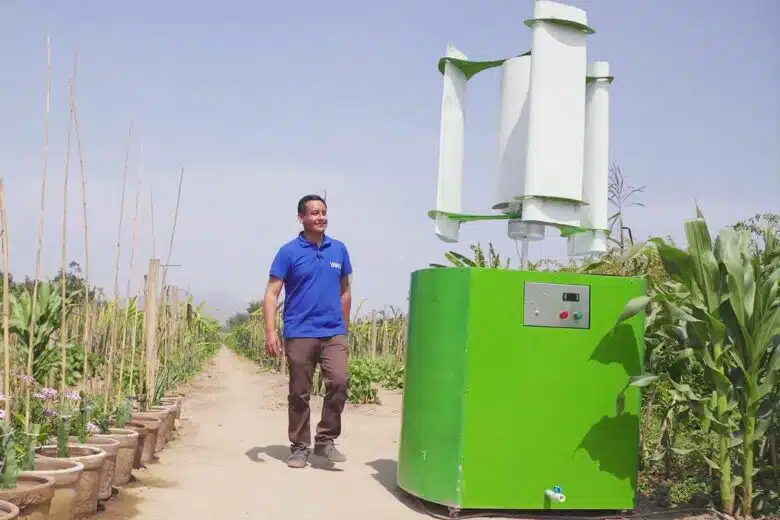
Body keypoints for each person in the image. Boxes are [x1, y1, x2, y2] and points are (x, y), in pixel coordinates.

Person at [263, 194, 353, 469]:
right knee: (299, 391)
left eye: (323, 212)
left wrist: (343, 329)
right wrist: (271, 332)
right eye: (314, 213)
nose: (320, 217)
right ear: (301, 218)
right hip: (299, 331)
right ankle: (300, 447)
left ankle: (325, 439)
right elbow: (271, 294)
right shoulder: (288, 252)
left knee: (339, 381)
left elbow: (346, 291)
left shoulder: (339, 250)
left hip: (333, 331)